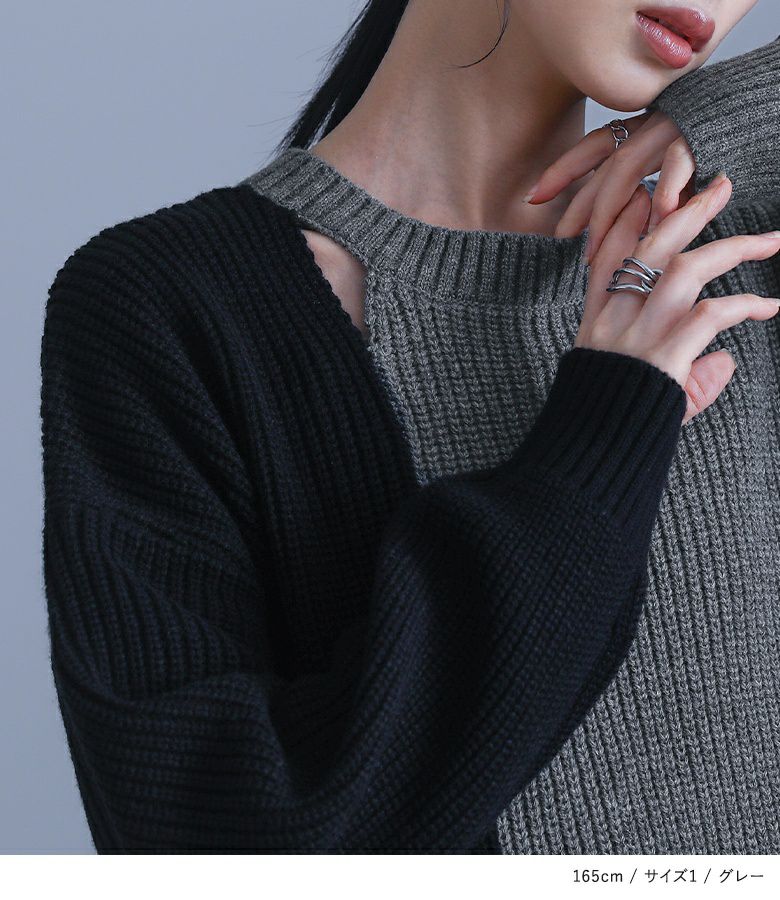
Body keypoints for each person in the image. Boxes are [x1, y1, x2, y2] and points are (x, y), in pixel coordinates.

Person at [39, 0, 780, 853]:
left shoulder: (737, 250)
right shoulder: (172, 308)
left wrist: (732, 111)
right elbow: (224, 838)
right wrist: (603, 434)